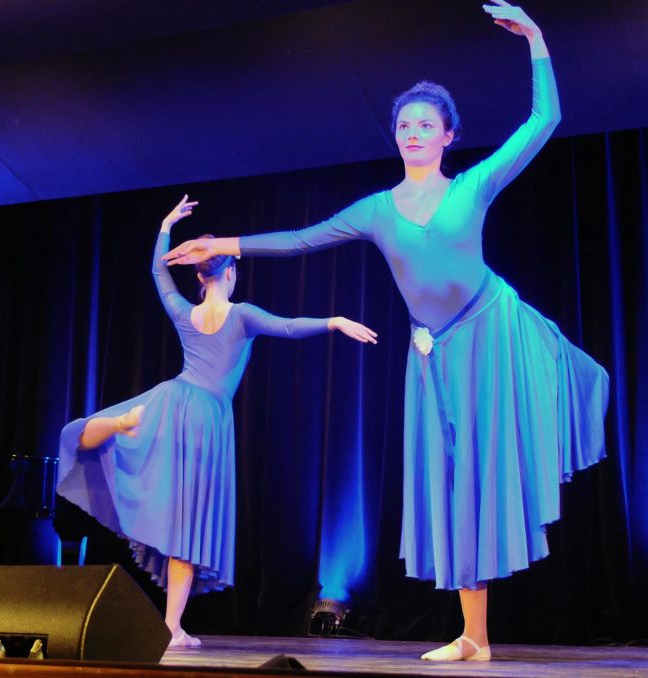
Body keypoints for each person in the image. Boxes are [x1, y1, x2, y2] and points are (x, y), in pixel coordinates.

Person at [162, 1, 608, 662]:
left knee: (486, 473)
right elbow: (302, 239)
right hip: (431, 351)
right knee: (452, 483)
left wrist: (536, 39)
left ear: (449, 135)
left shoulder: (474, 186)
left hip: (491, 332)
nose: (414, 132)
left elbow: (546, 119)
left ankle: (476, 634)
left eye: (426, 124)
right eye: (404, 124)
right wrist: (220, 241)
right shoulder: (376, 210)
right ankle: (473, 638)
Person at [57, 195, 377, 649]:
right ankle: (171, 626)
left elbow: (157, 272)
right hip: (206, 416)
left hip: (171, 400)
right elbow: (288, 327)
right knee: (188, 525)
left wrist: (167, 226)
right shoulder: (241, 314)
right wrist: (334, 320)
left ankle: (119, 424)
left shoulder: (185, 313)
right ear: (230, 271)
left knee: (84, 435)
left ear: (202, 273)